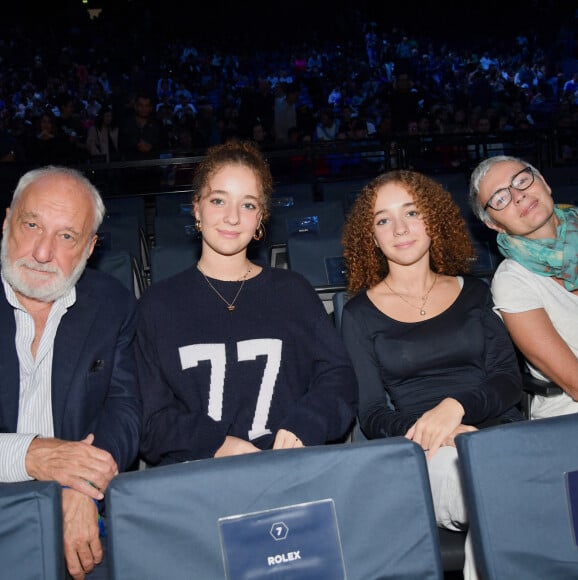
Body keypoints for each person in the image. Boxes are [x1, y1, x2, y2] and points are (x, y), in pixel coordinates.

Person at [340, 170, 524, 580]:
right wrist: (436, 431)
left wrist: (456, 408)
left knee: (502, 487)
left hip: (498, 438)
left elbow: (507, 381)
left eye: (411, 212)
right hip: (427, 453)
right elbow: (371, 413)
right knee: (495, 491)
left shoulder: (477, 292)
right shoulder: (358, 315)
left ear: (433, 220)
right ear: (370, 236)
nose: (400, 228)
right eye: (383, 219)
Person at [136, 139, 357, 465]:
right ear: (196, 208)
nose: (232, 218)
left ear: (261, 218)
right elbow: (151, 421)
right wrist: (217, 444)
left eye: (248, 205)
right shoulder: (158, 305)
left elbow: (338, 377)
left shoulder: (293, 292)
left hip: (289, 471)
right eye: (218, 201)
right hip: (199, 481)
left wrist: (306, 424)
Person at [0, 166, 142, 579]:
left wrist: (79, 487)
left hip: (76, 505)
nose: (43, 253)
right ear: (7, 220)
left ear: (90, 247)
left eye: (66, 237)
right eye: (31, 225)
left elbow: (126, 412)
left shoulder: (111, 303)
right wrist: (32, 455)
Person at [469, 155, 578, 418]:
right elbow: (576, 383)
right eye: (500, 199)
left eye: (521, 181)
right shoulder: (513, 280)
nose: (518, 195)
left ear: (543, 182)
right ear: (494, 224)